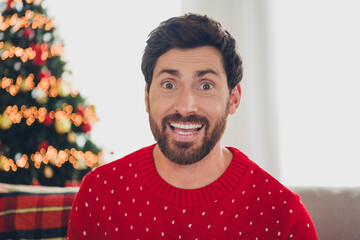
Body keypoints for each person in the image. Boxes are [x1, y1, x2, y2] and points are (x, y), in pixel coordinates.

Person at [66, 13, 317, 239]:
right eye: (169, 84)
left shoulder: (283, 214)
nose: (185, 107)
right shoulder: (97, 195)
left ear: (234, 99)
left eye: (206, 86)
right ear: (146, 97)